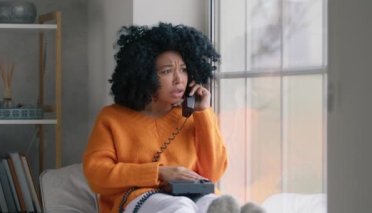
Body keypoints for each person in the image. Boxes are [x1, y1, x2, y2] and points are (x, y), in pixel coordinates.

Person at [83, 22, 262, 213]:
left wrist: (203, 113)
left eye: (184, 69)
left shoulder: (194, 116)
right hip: (137, 197)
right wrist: (159, 172)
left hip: (193, 195)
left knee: (217, 204)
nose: (179, 79)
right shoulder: (112, 118)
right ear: (144, 75)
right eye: (167, 71)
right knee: (180, 206)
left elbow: (213, 172)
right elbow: (97, 175)